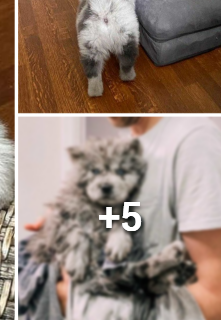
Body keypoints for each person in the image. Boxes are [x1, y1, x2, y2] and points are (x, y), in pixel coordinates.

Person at [24, 116, 221, 320]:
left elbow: (215, 298)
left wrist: (67, 297)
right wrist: (63, 214)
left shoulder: (194, 142)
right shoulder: (130, 143)